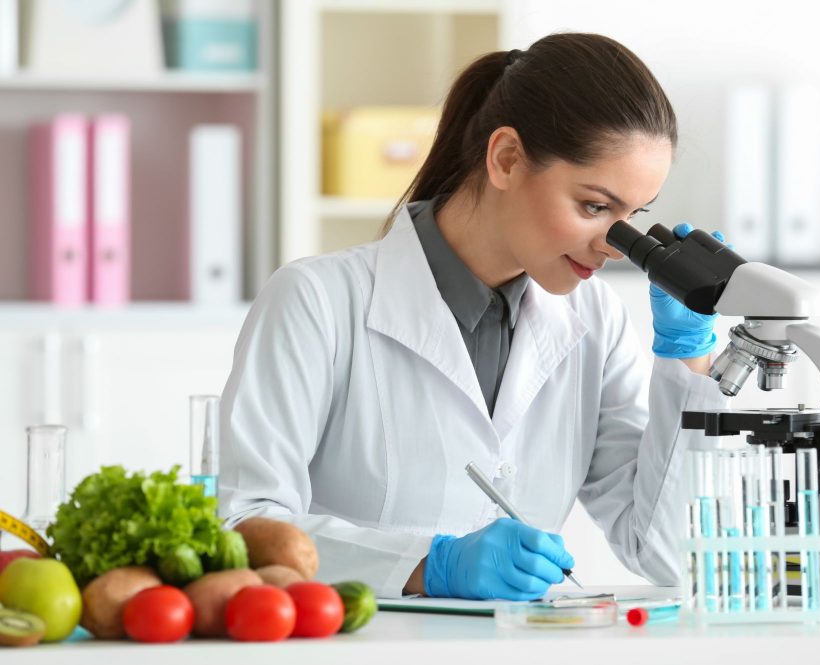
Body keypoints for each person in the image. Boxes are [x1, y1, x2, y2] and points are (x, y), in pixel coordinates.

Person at [218, 32, 729, 601]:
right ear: (506, 158)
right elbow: (244, 529)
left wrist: (688, 363)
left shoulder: (595, 320)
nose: (613, 245)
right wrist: (425, 566)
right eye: (594, 206)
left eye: (633, 215)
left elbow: (669, 552)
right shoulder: (317, 300)